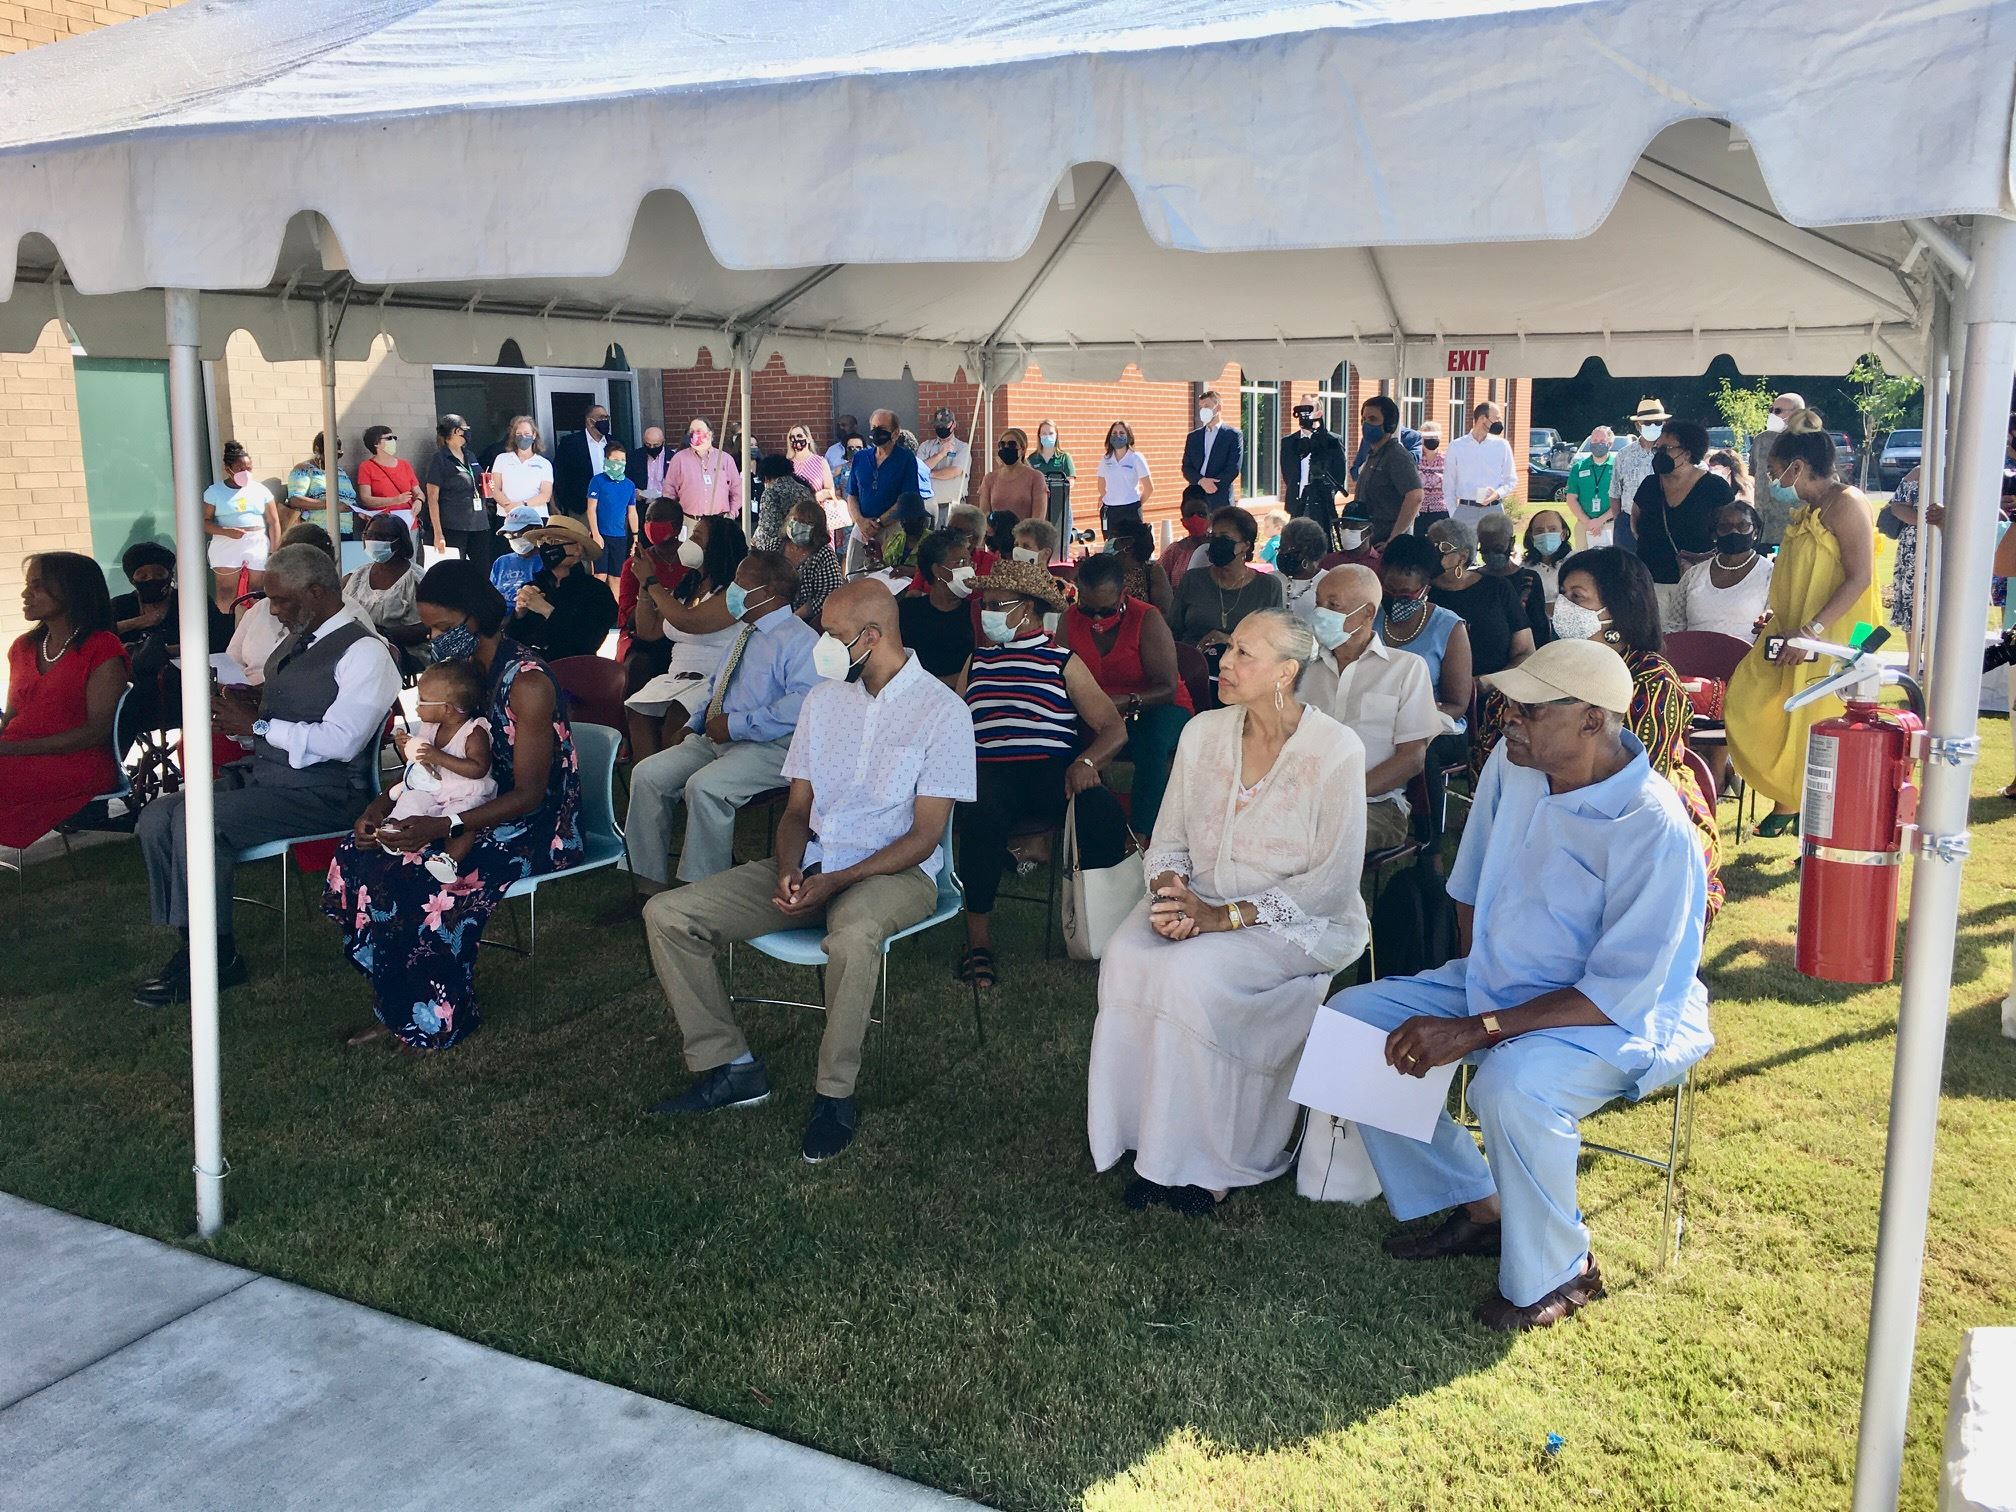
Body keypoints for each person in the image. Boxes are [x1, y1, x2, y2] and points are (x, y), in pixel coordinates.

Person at [1326, 638, 1711, 1332]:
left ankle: (1564, 1270)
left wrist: (1479, 1031)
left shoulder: (1652, 825)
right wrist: (1478, 986)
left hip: (1614, 1017)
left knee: (1513, 1086)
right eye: (1509, 705)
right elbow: (1471, 883)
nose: (1508, 720)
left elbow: (1618, 991)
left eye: (1530, 710)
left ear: (1592, 720)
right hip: (1498, 984)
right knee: (1353, 1022)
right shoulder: (1515, 765)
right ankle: (1482, 1207)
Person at [640, 580, 976, 1162]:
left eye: (833, 636)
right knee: (668, 914)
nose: (822, 646)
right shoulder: (824, 701)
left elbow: (924, 837)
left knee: (852, 936)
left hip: (897, 873)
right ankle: (731, 1065)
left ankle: (834, 1094)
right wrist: (790, 868)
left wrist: (836, 881)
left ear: (871, 637)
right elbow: (797, 810)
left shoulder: (942, 712)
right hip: (817, 859)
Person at [1087, 609, 1368, 1214]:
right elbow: (1168, 839)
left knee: (1191, 975)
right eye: (1229, 649)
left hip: (1296, 923)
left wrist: (1224, 918)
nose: (1226, 663)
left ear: (1286, 672)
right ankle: (1148, 1141)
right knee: (1127, 955)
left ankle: (1209, 1160)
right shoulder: (1203, 732)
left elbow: (1332, 883)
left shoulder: (1335, 749)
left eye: (1245, 653)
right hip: (1201, 896)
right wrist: (1169, 896)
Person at [325, 560, 581, 1051]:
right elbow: (430, 762)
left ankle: (434, 1016)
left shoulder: (526, 682)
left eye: (444, 627)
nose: (435, 638)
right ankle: (397, 1002)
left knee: (419, 880)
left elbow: (529, 795)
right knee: (363, 853)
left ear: (476, 616)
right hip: (460, 805)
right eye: (430, 629)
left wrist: (444, 825)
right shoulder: (456, 678)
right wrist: (381, 808)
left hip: (534, 825)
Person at [135, 543, 399, 1007]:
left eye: (280, 600)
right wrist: (248, 705)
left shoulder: (365, 653)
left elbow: (341, 742)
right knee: (156, 816)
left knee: (199, 822)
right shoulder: (300, 638)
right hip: (269, 777)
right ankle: (192, 943)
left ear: (316, 592)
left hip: (327, 791)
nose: (272, 610)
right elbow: (296, 703)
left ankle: (216, 956)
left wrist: (257, 725)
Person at [1481, 546, 1723, 918]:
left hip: (1625, 826)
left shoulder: (1651, 681)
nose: (1563, 607)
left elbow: (1639, 779)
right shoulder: (1552, 664)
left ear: (1617, 609)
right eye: (1563, 596)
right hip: (1541, 805)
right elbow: (1499, 729)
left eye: (1577, 598)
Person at [955, 561, 1130, 989]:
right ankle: (977, 942)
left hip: (1053, 771)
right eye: (984, 605)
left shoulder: (1061, 661)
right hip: (988, 770)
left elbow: (1113, 728)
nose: (986, 613)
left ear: (1028, 609)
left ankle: (1105, 927)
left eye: (997, 605)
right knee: (981, 809)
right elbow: (953, 726)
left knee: (1101, 810)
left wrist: (1086, 763)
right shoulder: (976, 661)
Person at [623, 550, 820, 890]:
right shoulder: (745, 633)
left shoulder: (800, 641)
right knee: (647, 774)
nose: (733, 589)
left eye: (742, 582)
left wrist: (736, 724)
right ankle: (647, 884)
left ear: (769, 592)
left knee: (705, 788)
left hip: (773, 748)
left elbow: (803, 705)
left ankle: (700, 892)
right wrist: (694, 722)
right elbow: (718, 686)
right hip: (718, 737)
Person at [1726, 424, 1879, 834]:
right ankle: (1790, 798)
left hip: (1834, 637)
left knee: (1820, 724)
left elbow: (1860, 577)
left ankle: (1820, 827)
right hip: (1792, 632)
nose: (1773, 481)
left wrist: (1811, 631)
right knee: (1751, 698)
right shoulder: (1810, 507)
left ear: (1798, 467)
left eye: (1775, 471)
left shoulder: (1847, 503)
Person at [1300, 564, 1437, 852]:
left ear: (1367, 613)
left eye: (1333, 606)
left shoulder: (1406, 669)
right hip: (1301, 797)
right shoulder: (1304, 668)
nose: (1320, 613)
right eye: (1318, 603)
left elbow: (1412, 758)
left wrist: (1342, 794)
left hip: (1374, 804)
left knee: (1312, 841)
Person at [0, 552, 128, 850]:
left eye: (37, 586)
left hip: (76, 761)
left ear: (71, 590)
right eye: (27, 585)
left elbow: (96, 732)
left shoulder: (102, 647)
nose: (25, 594)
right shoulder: (23, 646)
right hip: (17, 755)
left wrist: (12, 749)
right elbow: (12, 715)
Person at [1061, 552, 1193, 838]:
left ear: (1123, 594)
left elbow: (1167, 687)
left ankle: (1142, 834)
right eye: (1088, 609)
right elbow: (1060, 675)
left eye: (1106, 610)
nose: (1097, 617)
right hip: (1096, 710)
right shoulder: (1069, 620)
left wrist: (1124, 702)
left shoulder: (1147, 618)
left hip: (1156, 706)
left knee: (1151, 742)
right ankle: (1082, 827)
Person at [625, 512, 746, 760]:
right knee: (638, 711)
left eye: (697, 537)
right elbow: (649, 631)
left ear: (717, 548)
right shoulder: (688, 585)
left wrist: (652, 582)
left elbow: (689, 621)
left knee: (678, 716)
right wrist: (645, 586)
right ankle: (649, 777)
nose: (689, 542)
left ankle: (673, 779)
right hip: (676, 677)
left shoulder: (734, 593)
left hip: (714, 680)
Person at [226, 524, 387, 683]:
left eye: (288, 565)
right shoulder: (260, 609)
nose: (273, 610)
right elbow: (231, 661)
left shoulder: (350, 618)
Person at [384, 657, 497, 883]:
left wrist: (439, 756)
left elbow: (478, 768)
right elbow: (421, 763)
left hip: (466, 794)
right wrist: (407, 748)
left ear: (446, 709)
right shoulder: (430, 727)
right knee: (412, 798)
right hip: (436, 790)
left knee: (460, 820)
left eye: (422, 701)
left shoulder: (473, 732)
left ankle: (449, 859)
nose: (416, 706)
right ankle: (396, 831)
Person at [1632, 419, 1733, 626]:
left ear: (1687, 453)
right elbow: (1635, 525)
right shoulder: (1649, 485)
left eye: (1666, 449)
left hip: (1700, 585)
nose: (1659, 454)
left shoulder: (1715, 488)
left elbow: (1728, 533)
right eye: (1657, 449)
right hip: (1652, 583)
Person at [1426, 516, 1533, 677]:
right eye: (1429, 548)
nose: (1431, 555)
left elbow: (1525, 651)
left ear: (1462, 557)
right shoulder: (1423, 592)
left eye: (1440, 549)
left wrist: (1485, 683)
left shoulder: (1498, 588)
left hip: (1496, 686)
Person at [1169, 505, 1285, 652]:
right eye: (1213, 537)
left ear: (1245, 545)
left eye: (1225, 538)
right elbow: (1173, 632)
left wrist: (1230, 641)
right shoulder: (1192, 580)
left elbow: (1273, 642)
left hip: (1244, 663)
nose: (1217, 543)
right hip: (1195, 662)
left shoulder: (1267, 587)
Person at [503, 514, 618, 661]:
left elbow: (586, 643)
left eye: (554, 541)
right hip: (531, 667)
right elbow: (512, 642)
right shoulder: (534, 587)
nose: (547, 547)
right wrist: (519, 615)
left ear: (577, 549)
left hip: (574, 669)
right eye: (543, 542)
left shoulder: (597, 592)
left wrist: (546, 610)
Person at [1675, 500, 1774, 640]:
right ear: (1715, 534)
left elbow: (1772, 625)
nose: (1734, 531)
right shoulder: (1693, 575)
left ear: (1755, 532)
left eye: (1743, 526)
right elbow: (1674, 626)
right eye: (1725, 527)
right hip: (1693, 652)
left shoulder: (1770, 574)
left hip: (1747, 653)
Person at [111, 540, 231, 654]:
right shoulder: (120, 605)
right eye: (143, 576)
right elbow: (102, 636)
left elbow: (219, 639)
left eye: (159, 574)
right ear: (132, 580)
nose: (151, 579)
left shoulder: (192, 602)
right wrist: (138, 622)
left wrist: (166, 651)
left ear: (171, 575)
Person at [846, 409, 928, 573]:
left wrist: (879, 523)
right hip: (862, 527)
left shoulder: (906, 459)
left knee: (887, 573)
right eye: (874, 428)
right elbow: (852, 494)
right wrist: (860, 521)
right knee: (854, 573)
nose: (877, 432)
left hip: (892, 527)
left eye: (882, 428)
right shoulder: (860, 458)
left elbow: (906, 499)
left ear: (895, 433)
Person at [204, 441, 279, 611]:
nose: (245, 473)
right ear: (228, 469)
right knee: (226, 591)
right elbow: (205, 522)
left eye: (249, 468)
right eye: (240, 469)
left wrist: (274, 551)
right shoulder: (214, 492)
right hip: (226, 543)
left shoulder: (261, 490)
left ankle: (253, 624)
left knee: (256, 592)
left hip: (256, 543)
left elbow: (273, 521)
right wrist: (225, 531)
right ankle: (225, 626)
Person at [897, 528, 978, 683]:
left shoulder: (976, 613)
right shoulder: (908, 611)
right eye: (961, 563)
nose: (969, 570)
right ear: (937, 570)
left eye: (969, 563)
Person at [341, 514, 427, 657]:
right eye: (369, 535)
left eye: (382, 537)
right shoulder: (355, 577)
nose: (373, 541)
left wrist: (381, 634)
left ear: (399, 541)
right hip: (354, 650)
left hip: (403, 654)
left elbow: (426, 627)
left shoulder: (417, 580)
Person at [1346, 393, 1424, 545]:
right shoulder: (1372, 454)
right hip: (1370, 541)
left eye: (1373, 419)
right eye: (1364, 419)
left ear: (1389, 424)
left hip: (1386, 544)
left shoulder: (1396, 456)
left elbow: (1415, 496)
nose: (1366, 424)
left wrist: (1393, 539)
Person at [424, 414, 493, 571]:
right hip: (453, 527)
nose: (468, 432)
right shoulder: (440, 459)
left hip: (479, 524)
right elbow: (432, 498)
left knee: (481, 571)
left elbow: (477, 478)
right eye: (465, 428)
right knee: (454, 571)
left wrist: (488, 484)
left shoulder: (470, 455)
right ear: (457, 431)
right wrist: (438, 533)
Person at [1476, 511, 1552, 648]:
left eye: (1498, 548)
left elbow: (1540, 628)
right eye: (1485, 549)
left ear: (1511, 543)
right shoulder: (1474, 579)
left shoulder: (1529, 579)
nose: (1491, 554)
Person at [1443, 400, 1519, 531]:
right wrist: (1454, 513)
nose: (1499, 423)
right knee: (1464, 545)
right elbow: (1448, 484)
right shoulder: (1456, 446)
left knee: (1497, 545)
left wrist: (1497, 494)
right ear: (1483, 418)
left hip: (1494, 510)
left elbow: (1511, 479)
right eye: (1496, 418)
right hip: (1465, 510)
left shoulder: (1502, 445)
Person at [1609, 399, 1669, 556]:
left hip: (1663, 521)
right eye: (1647, 423)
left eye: (1657, 422)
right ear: (1638, 425)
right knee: (1625, 567)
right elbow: (1615, 492)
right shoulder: (1623, 455)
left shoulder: (1672, 453)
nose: (1653, 426)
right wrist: (1619, 520)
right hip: (1627, 522)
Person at [1748, 391, 1809, 541]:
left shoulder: (1810, 441)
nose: (1772, 415)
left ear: (1797, 413)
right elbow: (1753, 474)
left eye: (1778, 411)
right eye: (1771, 410)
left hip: (1797, 525)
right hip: (1764, 526)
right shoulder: (1761, 441)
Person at [1280, 400, 1349, 516]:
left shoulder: (1332, 441)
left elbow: (1339, 474)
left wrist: (1326, 493)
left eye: (1308, 410)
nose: (1304, 414)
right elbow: (1287, 474)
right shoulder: (1289, 442)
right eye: (1301, 410)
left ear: (1319, 413)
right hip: (1296, 505)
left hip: (1322, 506)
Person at [666, 417, 742, 521]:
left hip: (720, 520)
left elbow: (737, 490)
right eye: (692, 431)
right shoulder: (679, 459)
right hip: (689, 520)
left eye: (699, 431)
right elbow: (669, 492)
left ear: (710, 434)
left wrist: (732, 513)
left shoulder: (725, 459)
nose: (695, 434)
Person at [781, 498, 842, 625]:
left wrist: (793, 618)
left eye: (806, 523)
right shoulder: (776, 545)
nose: (798, 525)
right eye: (796, 519)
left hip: (807, 622)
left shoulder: (824, 555)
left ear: (817, 529)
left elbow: (829, 594)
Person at [355, 425, 422, 538]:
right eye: (389, 438)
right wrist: (394, 500)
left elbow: (418, 492)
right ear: (376, 443)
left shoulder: (405, 465)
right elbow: (365, 499)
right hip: (383, 527)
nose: (393, 441)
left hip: (409, 524)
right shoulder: (366, 467)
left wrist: (419, 501)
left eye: (394, 438)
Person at [284, 432, 358, 535]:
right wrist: (331, 505)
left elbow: (349, 499)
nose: (334, 458)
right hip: (317, 532)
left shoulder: (340, 472)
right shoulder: (305, 469)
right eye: (330, 453)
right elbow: (295, 500)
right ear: (317, 450)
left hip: (345, 531)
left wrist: (356, 509)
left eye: (338, 454)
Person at [585, 440, 638, 581]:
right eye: (615, 460)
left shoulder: (629, 485)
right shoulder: (597, 481)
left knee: (617, 577)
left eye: (622, 460)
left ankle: (615, 597)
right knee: (600, 575)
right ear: (607, 460)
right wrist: (596, 534)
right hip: (601, 533)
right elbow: (591, 509)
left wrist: (635, 537)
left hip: (619, 536)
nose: (619, 464)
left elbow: (632, 512)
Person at [552, 403, 614, 521]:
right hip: (581, 508)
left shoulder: (614, 442)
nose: (605, 421)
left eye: (607, 417)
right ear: (590, 421)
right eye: (602, 418)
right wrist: (568, 503)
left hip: (611, 506)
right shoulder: (570, 444)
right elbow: (560, 474)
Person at [1181, 388, 1242, 508]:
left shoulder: (1232, 435)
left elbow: (1233, 468)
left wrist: (1212, 485)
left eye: (1207, 406)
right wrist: (1201, 481)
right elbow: (1186, 467)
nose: (1203, 410)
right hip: (1196, 497)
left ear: (1218, 408)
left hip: (1220, 497)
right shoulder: (1193, 437)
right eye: (1201, 407)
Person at [1106, 514, 1175, 618]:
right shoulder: (1107, 572)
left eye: (1113, 538)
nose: (1108, 542)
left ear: (1128, 543)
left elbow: (1165, 612)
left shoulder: (1152, 572)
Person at [488, 415, 554, 521]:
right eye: (519, 434)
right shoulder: (502, 459)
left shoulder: (544, 464)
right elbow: (495, 489)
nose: (523, 437)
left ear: (534, 435)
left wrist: (520, 506)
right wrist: (509, 506)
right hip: (506, 517)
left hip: (535, 518)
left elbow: (545, 495)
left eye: (527, 434)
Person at [916, 406, 971, 527]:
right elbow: (919, 470)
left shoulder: (962, 448)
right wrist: (940, 454)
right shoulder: (926, 446)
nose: (941, 428)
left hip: (952, 505)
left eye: (944, 425)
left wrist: (930, 473)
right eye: (938, 425)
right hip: (928, 505)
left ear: (953, 425)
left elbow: (955, 471)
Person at [1096, 420, 1154, 532]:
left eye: (1122, 433)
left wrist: (1136, 504)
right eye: (1114, 433)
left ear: (1129, 436)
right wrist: (1108, 497)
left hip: (1131, 511)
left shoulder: (1136, 458)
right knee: (1111, 542)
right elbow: (1101, 484)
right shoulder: (1106, 459)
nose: (1117, 436)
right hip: (1110, 511)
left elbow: (1149, 488)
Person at [748, 452, 812, 552]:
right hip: (806, 545)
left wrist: (755, 541)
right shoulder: (804, 490)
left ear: (766, 477)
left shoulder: (771, 492)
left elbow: (769, 528)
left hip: (781, 550)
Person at [981, 426, 1048, 523]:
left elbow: (1038, 519)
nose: (1006, 448)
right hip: (996, 531)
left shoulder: (1036, 478)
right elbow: (984, 516)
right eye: (1002, 445)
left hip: (1026, 532)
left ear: (1023, 449)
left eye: (1011, 445)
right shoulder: (989, 479)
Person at [1563, 427, 1616, 546]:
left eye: (1602, 441)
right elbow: (1571, 499)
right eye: (1595, 440)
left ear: (1610, 444)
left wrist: (1600, 521)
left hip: (1610, 525)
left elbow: (1621, 499)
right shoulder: (1578, 467)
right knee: (1582, 557)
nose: (1598, 444)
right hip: (1584, 525)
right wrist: (1588, 522)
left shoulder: (1617, 466)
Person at [1273, 518, 1330, 626]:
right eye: (1281, 548)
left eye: (1288, 549)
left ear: (1308, 552)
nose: (1282, 554)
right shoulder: (1271, 580)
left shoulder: (1328, 582)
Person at [489, 504, 547, 602]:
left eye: (518, 533)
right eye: (508, 535)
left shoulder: (546, 561)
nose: (513, 538)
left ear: (536, 530)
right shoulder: (501, 562)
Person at [1159, 485, 1214, 586]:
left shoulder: (1219, 547)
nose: (1196, 518)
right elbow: (1159, 581)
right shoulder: (1173, 552)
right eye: (1190, 514)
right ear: (1183, 520)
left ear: (1210, 517)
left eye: (1201, 514)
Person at [1029, 419, 1075, 537]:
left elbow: (1070, 481)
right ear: (1039, 436)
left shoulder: (1064, 458)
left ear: (1056, 435)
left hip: (1060, 507)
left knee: (1060, 541)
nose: (1047, 436)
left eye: (1050, 433)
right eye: (1044, 434)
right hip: (1039, 507)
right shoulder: (1032, 459)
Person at [1521, 508, 1574, 605]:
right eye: (1539, 531)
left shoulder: (1576, 563)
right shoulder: (1525, 568)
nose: (1546, 534)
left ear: (1563, 534)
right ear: (1532, 537)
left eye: (1552, 529)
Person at [1414, 423, 1448, 535]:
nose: (1431, 440)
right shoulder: (1415, 459)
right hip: (1419, 510)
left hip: (1441, 509)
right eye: (1428, 437)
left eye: (1434, 437)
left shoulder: (1446, 459)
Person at [628, 425, 672, 510]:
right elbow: (628, 479)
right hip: (641, 505)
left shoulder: (672, 458)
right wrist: (634, 491)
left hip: (666, 504)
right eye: (648, 444)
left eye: (656, 445)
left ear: (663, 442)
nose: (652, 448)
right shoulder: (634, 457)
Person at [824, 414, 858, 478]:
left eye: (843, 425)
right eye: (838, 426)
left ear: (854, 427)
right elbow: (825, 475)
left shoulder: (866, 449)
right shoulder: (832, 450)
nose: (841, 428)